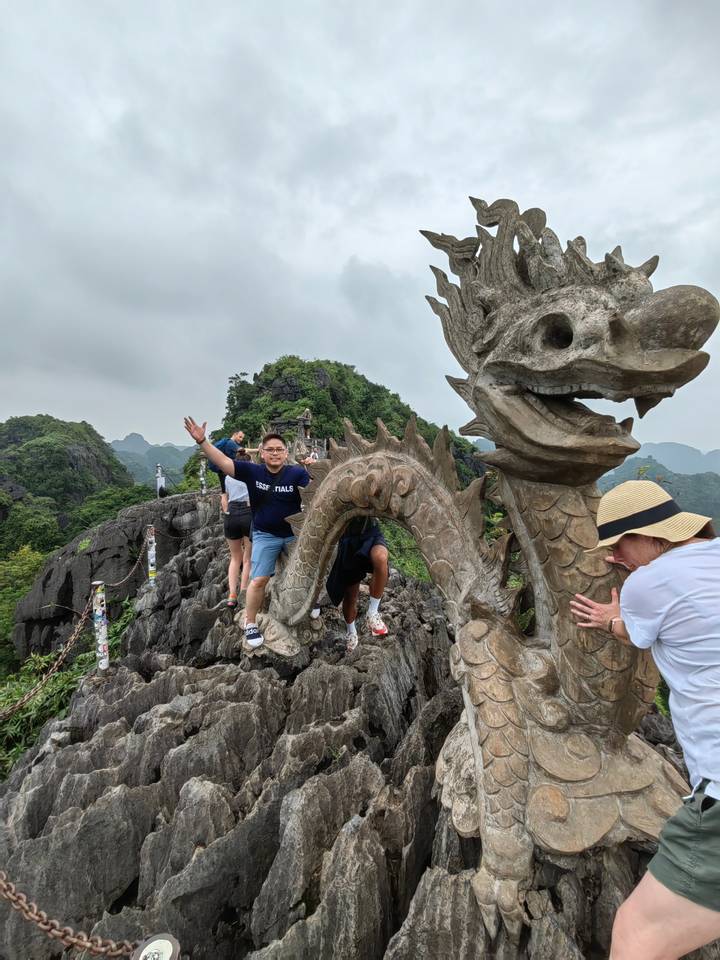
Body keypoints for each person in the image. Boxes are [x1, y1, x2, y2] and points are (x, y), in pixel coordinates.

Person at [569, 480, 719, 960]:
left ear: (654, 537)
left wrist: (611, 616)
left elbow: (632, 633)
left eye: (620, 543)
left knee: (636, 936)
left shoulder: (646, 584)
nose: (616, 555)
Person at [184, 417, 310, 648]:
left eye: (279, 450)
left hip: (294, 535)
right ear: (261, 453)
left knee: (304, 574)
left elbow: (316, 488)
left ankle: (308, 606)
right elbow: (222, 462)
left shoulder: (297, 474)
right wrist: (203, 441)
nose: (274, 453)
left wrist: (313, 466)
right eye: (269, 449)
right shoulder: (252, 472)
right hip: (264, 534)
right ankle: (250, 621)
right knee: (259, 579)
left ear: (285, 453)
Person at [324, 516, 389, 651]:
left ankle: (372, 613)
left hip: (370, 531)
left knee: (381, 558)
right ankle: (351, 632)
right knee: (351, 595)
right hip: (348, 539)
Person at [223, 450, 253, 609]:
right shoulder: (251, 476)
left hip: (231, 514)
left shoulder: (228, 477)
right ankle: (243, 590)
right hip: (248, 514)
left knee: (235, 558)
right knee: (247, 558)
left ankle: (231, 595)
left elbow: (225, 499)